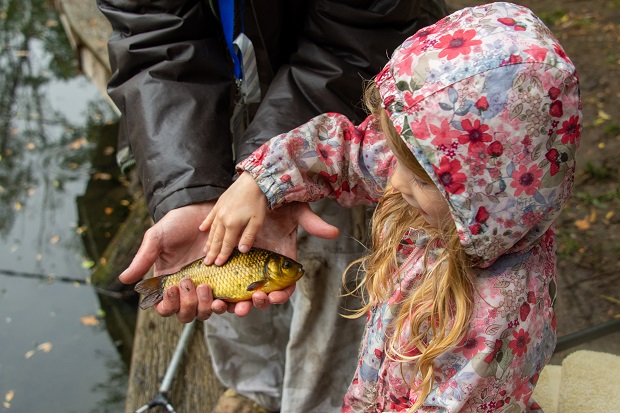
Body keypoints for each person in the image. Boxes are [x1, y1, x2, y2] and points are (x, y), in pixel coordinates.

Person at [201, 2, 582, 411]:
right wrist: (262, 181)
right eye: (398, 159)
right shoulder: (448, 177)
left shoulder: (494, 314)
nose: (393, 181)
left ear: (485, 193)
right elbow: (348, 151)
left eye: (418, 178)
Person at [97, 0, 449, 411]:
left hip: (340, 108)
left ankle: (320, 401)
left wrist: (272, 174)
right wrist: (189, 192)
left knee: (334, 272)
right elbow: (152, 40)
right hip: (220, 105)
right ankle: (251, 391)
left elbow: (355, 41)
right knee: (218, 244)